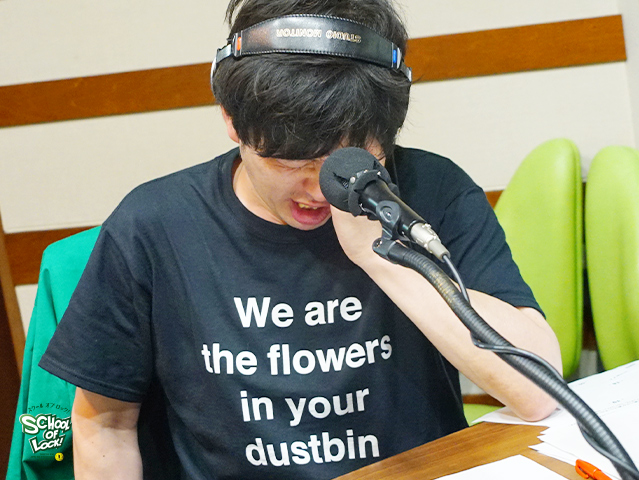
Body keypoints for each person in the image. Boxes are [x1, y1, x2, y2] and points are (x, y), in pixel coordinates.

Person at [39, 0, 562, 478]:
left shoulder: (432, 190)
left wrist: (379, 255)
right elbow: (103, 423)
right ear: (231, 121)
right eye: (290, 162)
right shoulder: (153, 223)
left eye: (347, 163)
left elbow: (539, 392)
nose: (317, 190)